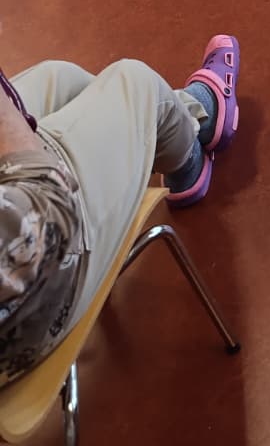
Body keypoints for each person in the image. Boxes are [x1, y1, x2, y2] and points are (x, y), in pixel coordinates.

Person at [0, 35, 241, 388]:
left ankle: (167, 124)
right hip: (37, 288)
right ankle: (188, 149)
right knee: (136, 82)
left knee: (61, 79)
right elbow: (47, 222)